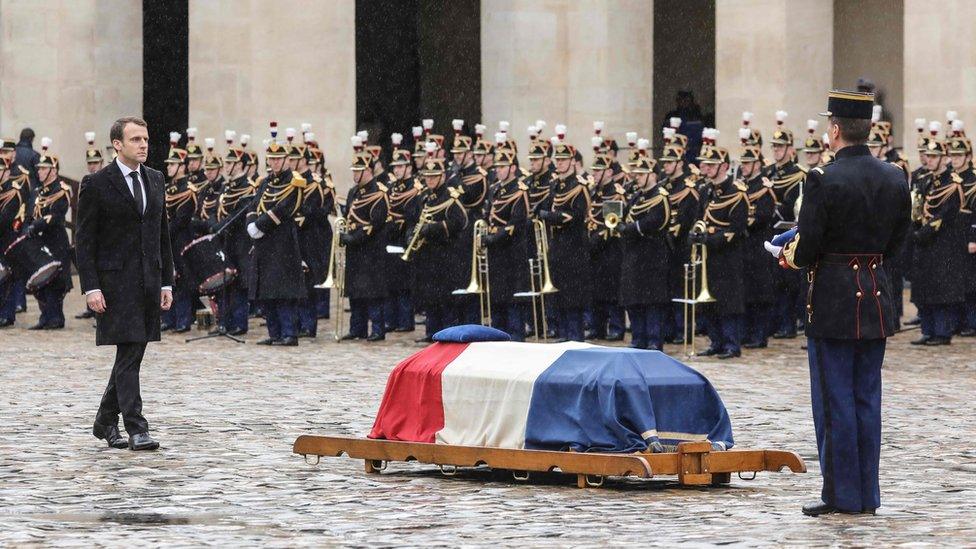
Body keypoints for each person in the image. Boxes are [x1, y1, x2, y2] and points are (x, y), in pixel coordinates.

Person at [773, 90, 910, 516]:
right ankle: (867, 495)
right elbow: (897, 242)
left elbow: (809, 245)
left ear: (835, 130)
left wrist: (787, 255)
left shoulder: (822, 179)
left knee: (835, 403)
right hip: (874, 297)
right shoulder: (894, 176)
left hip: (831, 300)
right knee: (867, 398)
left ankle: (840, 495)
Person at [75, 116, 174, 451]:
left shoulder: (156, 179)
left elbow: (162, 236)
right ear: (117, 144)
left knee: (132, 353)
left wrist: (167, 283)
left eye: (145, 139)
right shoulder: (97, 183)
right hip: (114, 285)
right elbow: (84, 241)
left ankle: (105, 421)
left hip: (148, 282)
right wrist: (91, 287)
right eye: (135, 140)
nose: (143, 144)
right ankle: (137, 427)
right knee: (130, 352)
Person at [246, 135, 307, 346]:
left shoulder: (295, 182)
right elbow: (254, 205)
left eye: (278, 159)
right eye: (271, 159)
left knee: (283, 292)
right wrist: (251, 224)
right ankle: (274, 333)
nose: (274, 163)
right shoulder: (265, 182)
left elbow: (286, 208)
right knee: (267, 292)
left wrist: (260, 225)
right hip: (264, 244)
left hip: (283, 244)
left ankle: (289, 333)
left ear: (287, 160)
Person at [693, 129, 748, 359]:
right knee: (711, 302)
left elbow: (735, 229)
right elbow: (699, 218)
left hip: (727, 256)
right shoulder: (706, 191)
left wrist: (711, 238)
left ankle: (731, 343)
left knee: (728, 303)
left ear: (724, 167)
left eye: (712, 164)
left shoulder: (736, 193)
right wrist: (696, 234)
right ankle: (716, 341)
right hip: (709, 257)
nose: (708, 168)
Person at [537, 138, 592, 341]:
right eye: (557, 159)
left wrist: (547, 216)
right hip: (558, 248)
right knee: (559, 297)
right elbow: (549, 210)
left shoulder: (579, 187)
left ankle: (575, 338)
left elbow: (572, 217)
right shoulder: (555, 186)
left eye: (563, 159)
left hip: (574, 250)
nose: (559, 163)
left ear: (572, 161)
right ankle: (562, 336)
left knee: (573, 299)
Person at [618, 155, 671, 350]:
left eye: (641, 174)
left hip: (652, 257)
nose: (637, 177)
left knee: (652, 303)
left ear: (652, 175)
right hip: (634, 257)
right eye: (636, 174)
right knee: (634, 300)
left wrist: (631, 228)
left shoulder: (660, 196)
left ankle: (654, 341)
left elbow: (657, 220)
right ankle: (638, 339)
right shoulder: (637, 196)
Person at [340, 151, 390, 341]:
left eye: (358, 171)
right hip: (355, 250)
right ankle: (357, 328)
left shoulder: (379, 192)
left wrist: (355, 237)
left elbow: (375, 223)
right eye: (354, 171)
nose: (355, 175)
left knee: (373, 292)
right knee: (356, 291)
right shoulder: (354, 191)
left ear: (368, 170)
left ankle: (377, 329)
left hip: (371, 249)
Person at [27, 145, 73, 330]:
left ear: (53, 170)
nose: (39, 171)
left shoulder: (61, 189)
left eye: (43, 168)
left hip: (55, 240)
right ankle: (45, 316)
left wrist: (36, 225)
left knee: (55, 280)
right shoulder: (39, 192)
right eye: (38, 168)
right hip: (40, 241)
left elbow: (56, 215)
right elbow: (34, 213)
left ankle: (56, 317)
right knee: (42, 280)